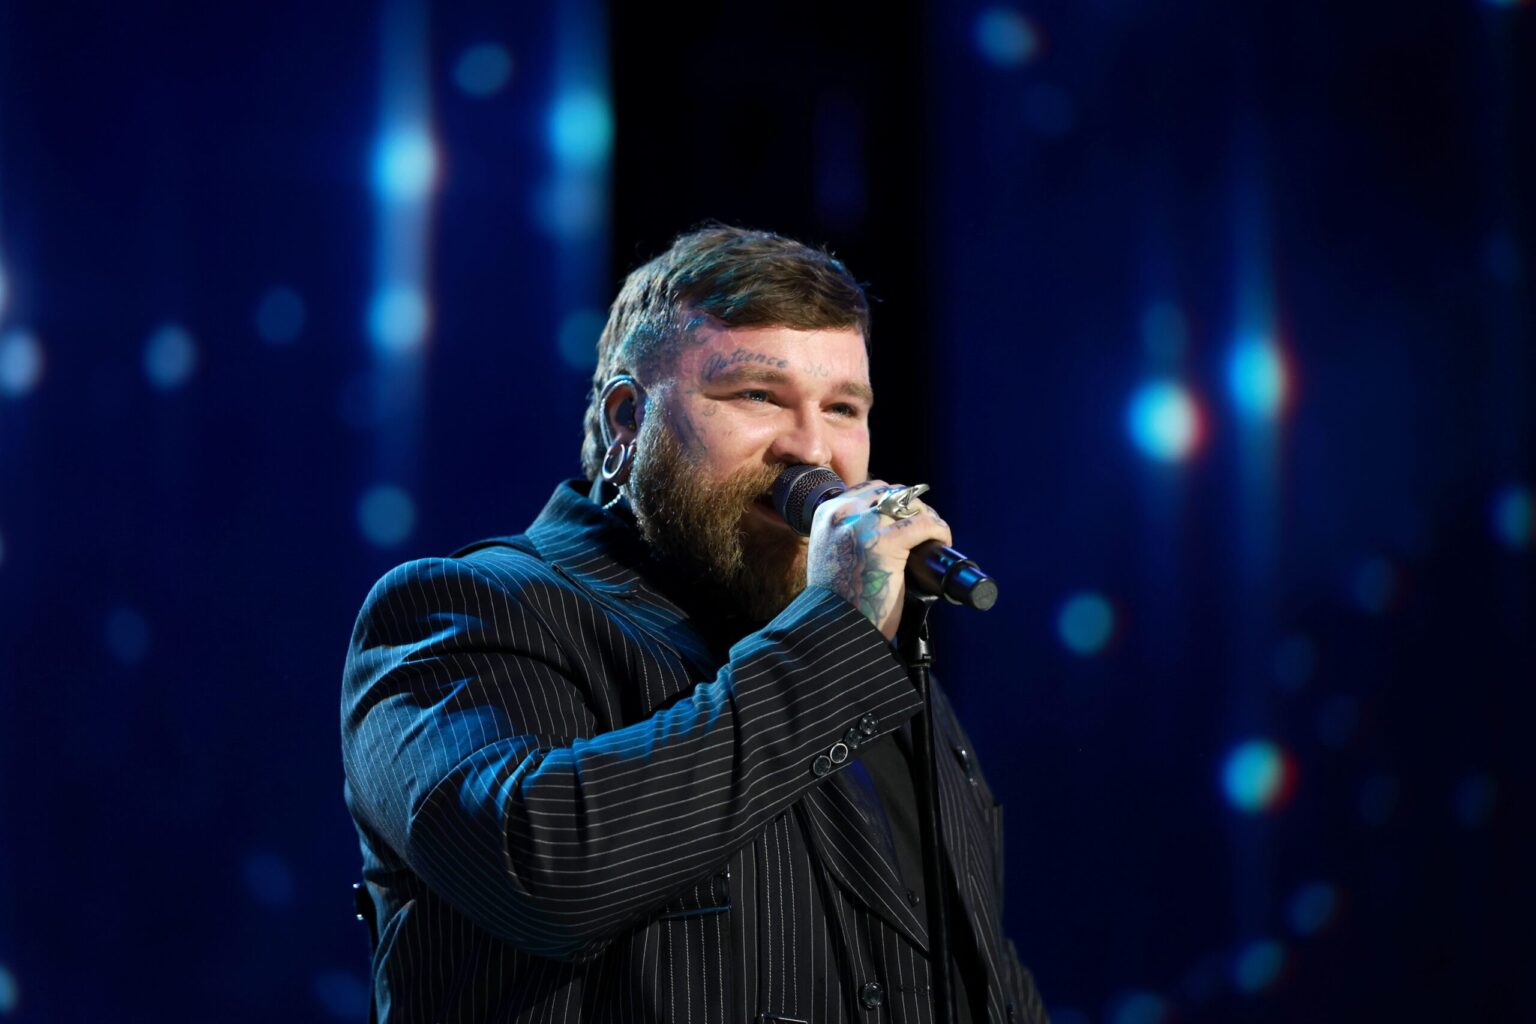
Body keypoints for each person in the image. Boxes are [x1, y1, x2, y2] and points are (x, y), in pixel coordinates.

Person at [341, 225, 1047, 1023]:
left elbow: (981, 978)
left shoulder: (874, 667)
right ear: (625, 422)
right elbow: (542, 872)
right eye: (757, 395)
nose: (812, 450)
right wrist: (835, 642)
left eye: (844, 407)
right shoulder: (462, 610)